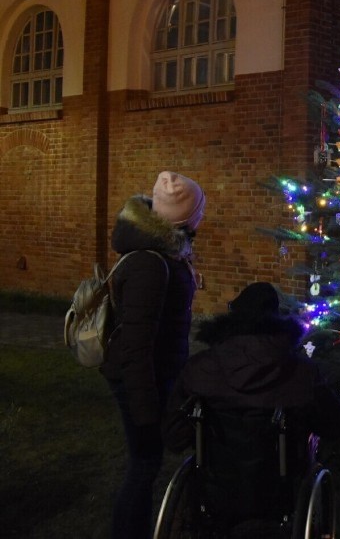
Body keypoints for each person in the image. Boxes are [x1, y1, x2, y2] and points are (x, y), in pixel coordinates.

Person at [161, 282, 340, 529]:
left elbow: (174, 436)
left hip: (216, 490)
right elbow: (334, 426)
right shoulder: (302, 372)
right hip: (279, 493)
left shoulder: (199, 368)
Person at [100, 170, 206, 539]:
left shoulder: (164, 252)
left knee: (147, 462)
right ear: (184, 218)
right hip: (139, 378)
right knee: (144, 463)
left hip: (154, 374)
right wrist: (145, 410)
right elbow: (136, 344)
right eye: (198, 212)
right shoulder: (150, 263)